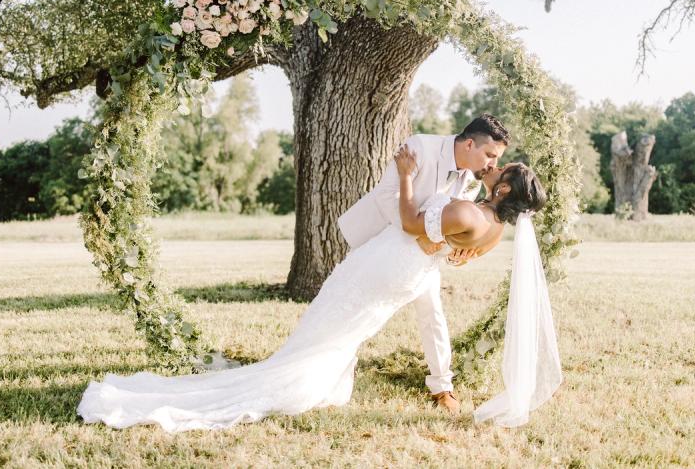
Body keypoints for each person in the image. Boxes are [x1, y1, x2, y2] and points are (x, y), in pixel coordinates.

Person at [77, 138, 559, 433]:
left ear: (502, 189)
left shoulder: (468, 209)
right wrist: (440, 243)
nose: (493, 166)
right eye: (494, 159)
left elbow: (413, 223)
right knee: (343, 331)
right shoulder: (495, 229)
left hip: (387, 264)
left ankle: (285, 380)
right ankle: (317, 378)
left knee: (330, 318)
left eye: (501, 168)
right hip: (407, 274)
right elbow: (454, 253)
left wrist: (406, 177)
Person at [337, 114, 510, 412]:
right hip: (379, 238)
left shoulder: (473, 180)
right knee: (355, 305)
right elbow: (386, 195)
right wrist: (416, 234)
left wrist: (457, 249)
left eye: (497, 158)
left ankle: (442, 387)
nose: (493, 164)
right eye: (490, 155)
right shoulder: (420, 147)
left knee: (432, 312)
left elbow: (451, 224)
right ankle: (341, 367)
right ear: (470, 144)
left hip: (421, 256)